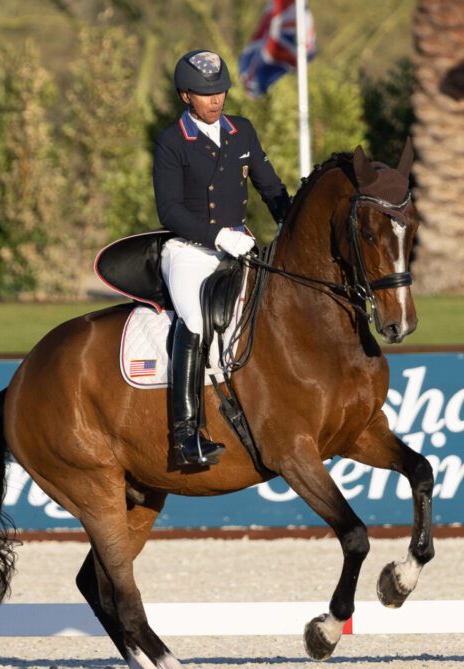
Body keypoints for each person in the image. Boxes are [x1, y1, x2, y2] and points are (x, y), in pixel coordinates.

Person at [154, 49, 291, 467]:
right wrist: (217, 236)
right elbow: (170, 211)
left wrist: (293, 226)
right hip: (190, 251)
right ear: (185, 96)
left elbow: (271, 189)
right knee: (194, 321)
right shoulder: (173, 141)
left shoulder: (242, 132)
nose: (215, 100)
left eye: (220, 92)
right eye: (204, 93)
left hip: (242, 245)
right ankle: (186, 436)